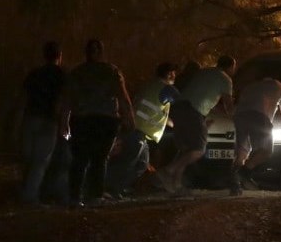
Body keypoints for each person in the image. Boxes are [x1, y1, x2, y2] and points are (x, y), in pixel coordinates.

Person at [59, 38, 133, 207]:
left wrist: (65, 121)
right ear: (102, 52)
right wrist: (129, 119)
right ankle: (94, 196)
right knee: (99, 158)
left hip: (83, 119)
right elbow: (123, 97)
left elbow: (67, 101)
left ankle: (75, 196)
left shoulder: (77, 72)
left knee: (81, 158)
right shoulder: (111, 71)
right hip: (105, 119)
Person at [160, 55, 235, 196]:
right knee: (199, 149)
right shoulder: (226, 79)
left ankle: (176, 186)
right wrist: (235, 117)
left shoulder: (204, 72)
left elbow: (206, 99)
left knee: (186, 149)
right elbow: (228, 105)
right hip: (192, 111)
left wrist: (220, 113)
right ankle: (168, 170)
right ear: (231, 67)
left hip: (179, 108)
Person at [105, 62, 178, 197]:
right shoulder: (166, 89)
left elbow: (155, 112)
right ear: (169, 74)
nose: (175, 76)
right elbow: (182, 103)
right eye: (174, 73)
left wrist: (174, 124)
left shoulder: (150, 85)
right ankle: (110, 188)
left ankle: (118, 187)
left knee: (142, 164)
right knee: (128, 161)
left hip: (136, 129)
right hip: (138, 130)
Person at [16, 40, 68, 205]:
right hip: (48, 120)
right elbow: (64, 100)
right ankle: (30, 196)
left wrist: (17, 120)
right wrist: (64, 122)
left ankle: (26, 191)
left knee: (29, 158)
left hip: (30, 119)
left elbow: (23, 99)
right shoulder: (62, 75)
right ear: (59, 56)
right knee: (40, 160)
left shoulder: (34, 74)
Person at [230, 75, 281, 196]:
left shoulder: (250, 86)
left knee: (241, 152)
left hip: (239, 116)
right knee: (266, 151)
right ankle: (244, 173)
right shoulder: (280, 87)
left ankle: (235, 184)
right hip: (260, 116)